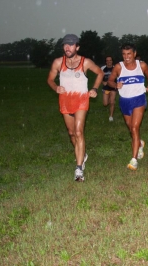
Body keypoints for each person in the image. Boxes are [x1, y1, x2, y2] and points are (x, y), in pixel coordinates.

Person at [47, 34, 103, 182]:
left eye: (71, 45)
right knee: (71, 133)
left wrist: (95, 89)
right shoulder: (58, 62)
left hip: (81, 101)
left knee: (79, 132)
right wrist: (55, 87)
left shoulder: (85, 62)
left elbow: (100, 73)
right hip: (65, 101)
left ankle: (79, 169)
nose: (67, 47)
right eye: (65, 45)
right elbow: (50, 79)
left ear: (77, 47)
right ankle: (82, 154)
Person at [107, 43, 148, 171]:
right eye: (124, 54)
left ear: (134, 54)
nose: (126, 57)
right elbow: (110, 80)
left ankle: (134, 160)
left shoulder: (141, 65)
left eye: (129, 54)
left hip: (139, 99)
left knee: (134, 127)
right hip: (124, 101)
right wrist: (116, 84)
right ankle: (140, 143)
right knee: (131, 128)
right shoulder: (118, 67)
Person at [101, 56, 117, 121]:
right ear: (106, 62)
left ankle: (111, 116)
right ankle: (109, 100)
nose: (109, 61)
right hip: (106, 87)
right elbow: (99, 77)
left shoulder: (115, 68)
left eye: (110, 60)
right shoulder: (102, 68)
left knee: (112, 102)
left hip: (113, 87)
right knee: (105, 104)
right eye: (107, 60)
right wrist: (103, 82)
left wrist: (117, 85)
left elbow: (119, 77)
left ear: (112, 61)